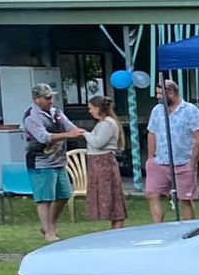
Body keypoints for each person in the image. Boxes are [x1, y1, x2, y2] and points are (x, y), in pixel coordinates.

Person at [21, 84, 85, 242]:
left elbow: (70, 126)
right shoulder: (31, 116)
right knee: (45, 198)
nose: (51, 100)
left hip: (59, 160)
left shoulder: (56, 112)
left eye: (51, 97)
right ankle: (49, 232)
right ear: (37, 99)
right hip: (40, 162)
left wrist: (81, 132)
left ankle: (49, 225)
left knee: (64, 194)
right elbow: (44, 137)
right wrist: (69, 136)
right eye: (47, 97)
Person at [144, 79, 199, 222]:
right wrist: (150, 158)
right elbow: (152, 133)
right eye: (157, 94)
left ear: (171, 93)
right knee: (152, 194)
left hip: (183, 161)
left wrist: (193, 162)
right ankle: (158, 228)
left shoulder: (191, 111)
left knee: (185, 199)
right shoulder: (157, 110)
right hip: (159, 161)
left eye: (161, 94)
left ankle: (188, 229)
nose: (158, 97)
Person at [82, 96, 127, 230]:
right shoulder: (102, 124)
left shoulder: (108, 123)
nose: (90, 111)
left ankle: (118, 227)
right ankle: (115, 227)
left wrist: (84, 133)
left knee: (112, 196)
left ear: (98, 108)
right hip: (97, 163)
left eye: (91, 108)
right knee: (107, 195)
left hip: (103, 163)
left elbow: (98, 143)